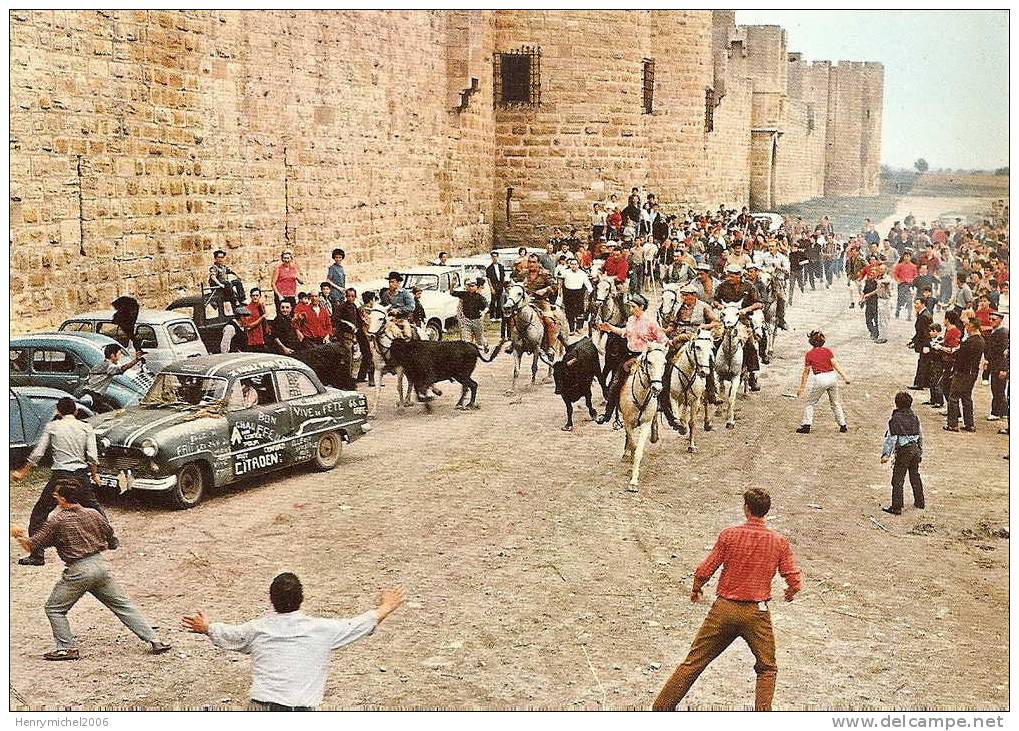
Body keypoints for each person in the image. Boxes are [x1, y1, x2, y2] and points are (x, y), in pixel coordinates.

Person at [653, 488, 800, 712]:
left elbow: (706, 568)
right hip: (756, 613)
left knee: (694, 662)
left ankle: (660, 710)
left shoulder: (729, 535)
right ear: (766, 512)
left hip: (724, 609)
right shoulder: (778, 542)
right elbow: (792, 576)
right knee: (767, 668)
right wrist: (791, 590)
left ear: (746, 509)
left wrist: (696, 588)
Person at [181, 574, 404, 711]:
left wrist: (207, 627)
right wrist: (387, 606)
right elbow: (360, 624)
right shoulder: (322, 630)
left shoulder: (257, 629)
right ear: (301, 599)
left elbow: (230, 635)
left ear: (271, 600)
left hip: (261, 708)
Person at [10, 479, 172, 660]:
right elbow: (111, 537)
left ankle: (65, 648)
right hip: (100, 566)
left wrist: (18, 535)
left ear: (62, 499)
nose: (55, 497)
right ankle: (155, 640)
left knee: (54, 609)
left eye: (56, 495)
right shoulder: (93, 513)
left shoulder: (57, 521)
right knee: (122, 605)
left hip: (79, 570)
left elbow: (32, 546)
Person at [10, 397, 115, 566]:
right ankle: (110, 538)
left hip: (60, 476)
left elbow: (38, 453)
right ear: (75, 411)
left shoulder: (52, 427)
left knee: (40, 513)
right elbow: (92, 456)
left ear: (58, 412)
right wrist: (94, 475)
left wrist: (22, 472)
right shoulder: (86, 427)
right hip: (81, 475)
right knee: (94, 507)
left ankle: (37, 554)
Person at [595, 294, 668, 426]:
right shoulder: (630, 320)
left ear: (641, 307)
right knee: (615, 383)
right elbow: (625, 332)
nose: (631, 309)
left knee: (659, 384)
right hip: (629, 356)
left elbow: (663, 340)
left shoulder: (651, 322)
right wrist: (610, 328)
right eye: (630, 306)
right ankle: (607, 415)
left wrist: (654, 352)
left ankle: (670, 416)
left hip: (645, 357)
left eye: (633, 307)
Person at [714, 264, 763, 391]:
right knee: (715, 340)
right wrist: (719, 306)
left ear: (739, 276)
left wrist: (747, 309)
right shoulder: (722, 286)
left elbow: (759, 303)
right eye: (728, 275)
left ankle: (752, 375)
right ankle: (711, 372)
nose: (729, 278)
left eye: (732, 275)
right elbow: (714, 300)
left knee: (750, 345)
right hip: (726, 319)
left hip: (742, 320)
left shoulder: (749, 287)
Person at [795, 330, 850, 434]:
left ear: (811, 342)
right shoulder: (828, 351)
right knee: (835, 402)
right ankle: (843, 425)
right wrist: (845, 377)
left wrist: (801, 388)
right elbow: (835, 364)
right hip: (832, 377)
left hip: (820, 378)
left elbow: (806, 372)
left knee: (811, 402)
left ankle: (806, 425)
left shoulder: (809, 354)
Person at [880, 391, 924, 515]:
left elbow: (891, 439)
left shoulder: (895, 419)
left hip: (904, 451)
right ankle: (920, 501)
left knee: (898, 478)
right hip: (915, 449)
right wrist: (920, 450)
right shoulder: (914, 417)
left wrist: (886, 454)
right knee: (915, 475)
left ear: (896, 404)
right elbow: (920, 435)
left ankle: (897, 507)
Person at [945, 317, 985, 432]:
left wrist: (953, 352)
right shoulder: (981, 340)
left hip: (963, 372)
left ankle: (952, 424)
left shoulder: (970, 341)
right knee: (966, 397)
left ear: (971, 326)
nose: (965, 327)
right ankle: (969, 424)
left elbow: (960, 356)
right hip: (973, 372)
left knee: (953, 397)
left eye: (967, 325)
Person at [78, 343, 144, 413]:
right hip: (92, 394)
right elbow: (122, 368)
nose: (120, 356)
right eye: (119, 354)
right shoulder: (108, 366)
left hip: (93, 394)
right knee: (108, 412)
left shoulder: (104, 363)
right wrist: (136, 360)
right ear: (112, 355)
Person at [985, 311, 1009, 421]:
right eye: (990, 319)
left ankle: (996, 412)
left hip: (999, 365)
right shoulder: (995, 331)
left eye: (993, 319)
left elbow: (1004, 353)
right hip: (994, 364)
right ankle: (1003, 410)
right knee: (997, 388)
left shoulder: (1003, 333)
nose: (991, 321)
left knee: (997, 388)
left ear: (1000, 320)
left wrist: (1004, 369)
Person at [452, 278, 488, 350]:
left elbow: (486, 306)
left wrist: (484, 312)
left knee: (479, 340)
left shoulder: (479, 297)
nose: (471, 288)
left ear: (476, 287)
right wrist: (452, 285)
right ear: (467, 287)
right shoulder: (463, 294)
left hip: (477, 320)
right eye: (469, 286)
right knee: (466, 340)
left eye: (473, 286)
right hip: (466, 320)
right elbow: (452, 293)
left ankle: (485, 344)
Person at [907, 297, 935, 390]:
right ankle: (924, 383)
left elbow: (923, 333)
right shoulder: (924, 314)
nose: (915, 305)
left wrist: (924, 345)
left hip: (925, 343)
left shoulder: (923, 316)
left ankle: (919, 383)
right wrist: (913, 341)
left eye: (917, 303)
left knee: (923, 363)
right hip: (925, 342)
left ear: (923, 304)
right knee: (924, 363)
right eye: (915, 303)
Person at [561, 258, 593, 334]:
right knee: (569, 312)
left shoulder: (582, 273)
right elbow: (560, 280)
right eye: (572, 264)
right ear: (570, 265)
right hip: (568, 293)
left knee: (579, 311)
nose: (574, 266)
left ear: (578, 265)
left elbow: (588, 284)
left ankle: (579, 328)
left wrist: (589, 291)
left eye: (575, 264)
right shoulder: (565, 272)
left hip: (578, 293)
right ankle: (571, 329)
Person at [241, 288, 270, 353]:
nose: (255, 297)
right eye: (253, 295)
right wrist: (262, 317)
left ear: (260, 296)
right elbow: (248, 326)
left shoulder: (261, 306)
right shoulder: (247, 309)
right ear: (250, 296)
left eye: (257, 295)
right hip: (254, 340)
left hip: (263, 337)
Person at [486, 250, 508, 327]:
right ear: (491, 258)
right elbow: (488, 279)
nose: (494, 258)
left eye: (496, 256)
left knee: (500, 301)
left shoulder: (501, 266)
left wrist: (504, 285)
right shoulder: (489, 268)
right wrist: (491, 288)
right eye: (493, 257)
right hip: (494, 284)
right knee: (493, 301)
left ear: (498, 257)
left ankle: (498, 316)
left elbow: (504, 276)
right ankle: (492, 316)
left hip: (500, 285)